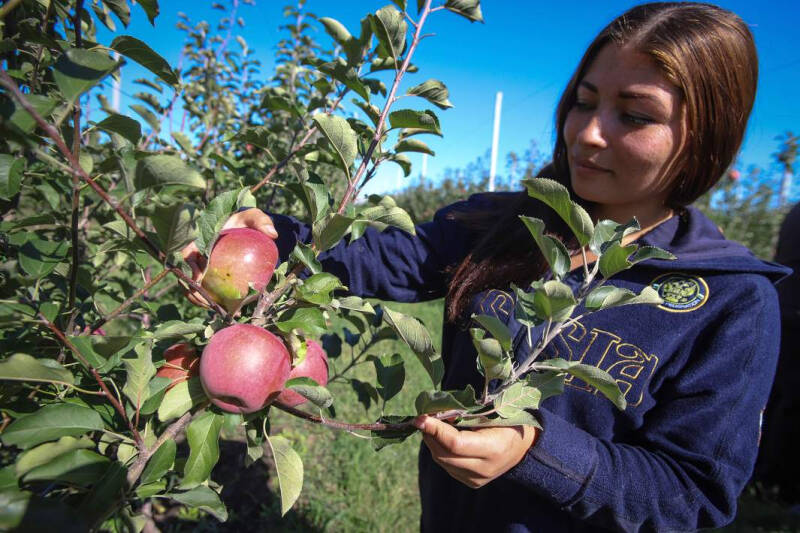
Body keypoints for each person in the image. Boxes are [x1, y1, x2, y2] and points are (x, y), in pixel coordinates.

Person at [184, 3, 791, 531]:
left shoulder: (729, 300)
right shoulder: (506, 226)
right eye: (583, 102)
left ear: (708, 134)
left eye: (634, 116)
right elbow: (378, 259)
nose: (588, 134)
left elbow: (693, 492)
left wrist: (538, 451)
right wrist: (274, 239)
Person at [755, 202, 800, 502]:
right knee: (793, 403)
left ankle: (763, 474)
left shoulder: (795, 211)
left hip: (786, 307)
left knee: (778, 397)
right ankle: (785, 485)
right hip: (796, 311)